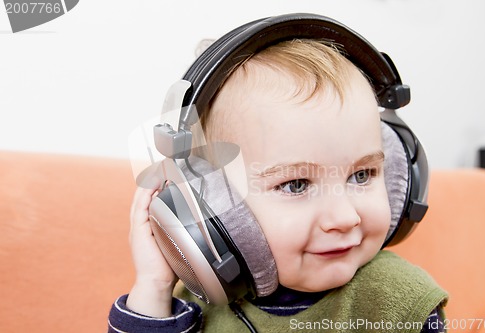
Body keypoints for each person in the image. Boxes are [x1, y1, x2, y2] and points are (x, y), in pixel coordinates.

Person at [108, 14, 448, 333]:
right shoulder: (191, 304)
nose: (345, 218)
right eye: (296, 184)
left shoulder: (400, 302)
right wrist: (154, 286)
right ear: (216, 208)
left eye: (362, 175)